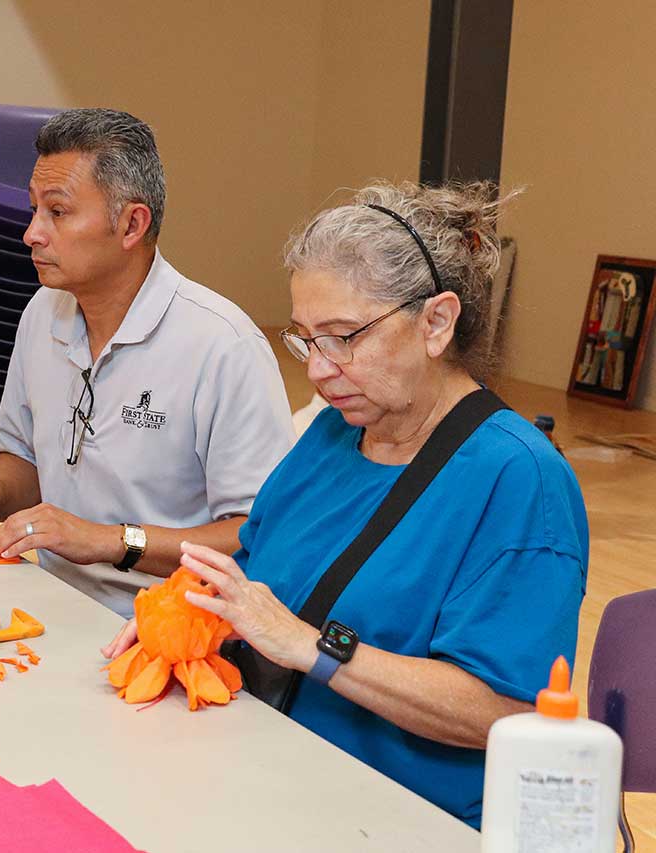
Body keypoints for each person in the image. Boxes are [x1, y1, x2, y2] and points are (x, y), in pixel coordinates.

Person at [103, 181, 587, 828]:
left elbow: (503, 710)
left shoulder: (518, 478)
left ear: (436, 322)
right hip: (260, 771)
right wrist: (194, 613)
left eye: (343, 337)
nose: (320, 370)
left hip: (398, 818)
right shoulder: (333, 433)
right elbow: (257, 571)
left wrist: (313, 645)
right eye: (306, 340)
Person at [0, 109, 294, 616]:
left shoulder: (223, 347)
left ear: (132, 224)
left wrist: (114, 541)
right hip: (44, 599)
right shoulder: (41, 314)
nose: (31, 233)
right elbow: (24, 460)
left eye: (57, 211)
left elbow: (254, 537)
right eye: (33, 210)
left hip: (161, 626)